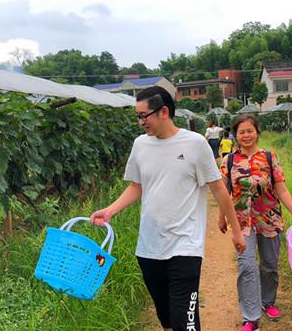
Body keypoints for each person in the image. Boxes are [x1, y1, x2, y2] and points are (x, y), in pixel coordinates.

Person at [90, 86, 246, 331]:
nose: (141, 122)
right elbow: (137, 186)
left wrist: (236, 231)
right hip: (149, 247)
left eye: (144, 116)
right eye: (137, 116)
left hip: (186, 246)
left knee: (186, 323)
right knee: (168, 321)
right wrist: (110, 210)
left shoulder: (195, 144)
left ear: (164, 111)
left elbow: (219, 190)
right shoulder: (140, 145)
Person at [218, 114, 292, 331]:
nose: (246, 135)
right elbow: (223, 192)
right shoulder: (229, 161)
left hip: (270, 221)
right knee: (246, 265)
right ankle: (251, 317)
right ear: (236, 136)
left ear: (257, 132)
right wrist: (221, 217)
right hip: (242, 224)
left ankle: (267, 301)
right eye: (241, 132)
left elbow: (282, 189)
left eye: (249, 130)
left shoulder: (269, 157)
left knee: (269, 265)